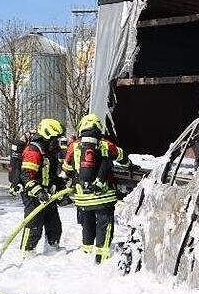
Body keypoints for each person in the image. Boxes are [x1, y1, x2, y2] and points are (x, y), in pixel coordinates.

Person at [63, 113, 131, 264]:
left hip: (83, 198)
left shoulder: (73, 146)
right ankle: (102, 257)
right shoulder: (105, 144)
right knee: (104, 225)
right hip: (103, 196)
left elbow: (67, 168)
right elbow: (122, 157)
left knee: (87, 224)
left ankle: (86, 252)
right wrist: (130, 166)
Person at [20, 118, 66, 255]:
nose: (57, 142)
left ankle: (52, 249)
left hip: (47, 195)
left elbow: (50, 174)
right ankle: (27, 252)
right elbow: (26, 176)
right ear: (47, 135)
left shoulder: (49, 151)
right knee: (33, 225)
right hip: (33, 195)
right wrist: (39, 192)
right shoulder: (34, 150)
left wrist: (60, 185)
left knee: (54, 225)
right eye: (55, 138)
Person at [8, 128, 35, 195]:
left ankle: (15, 187)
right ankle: (15, 188)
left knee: (18, 172)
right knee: (20, 173)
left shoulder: (20, 141)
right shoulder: (29, 137)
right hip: (18, 159)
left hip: (16, 159)